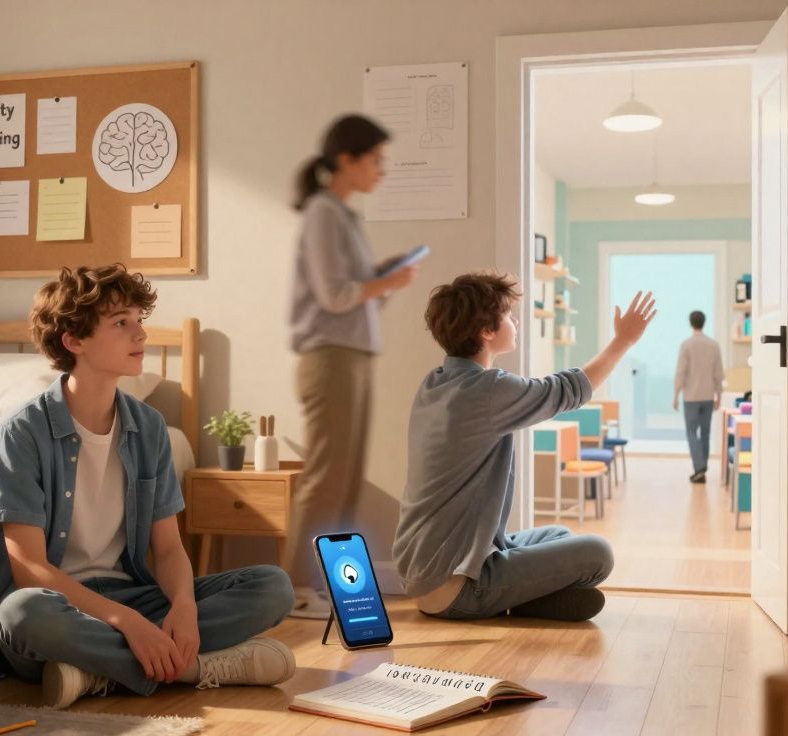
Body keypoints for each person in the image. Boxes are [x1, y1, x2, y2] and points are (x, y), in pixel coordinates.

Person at [0, 264, 296, 708]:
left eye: (139, 320)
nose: (140, 334)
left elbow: (171, 550)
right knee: (21, 614)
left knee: (273, 585)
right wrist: (128, 624)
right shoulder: (20, 434)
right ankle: (194, 668)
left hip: (135, 596)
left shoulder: (150, 428)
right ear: (74, 340)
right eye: (121, 323)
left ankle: (92, 673)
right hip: (58, 607)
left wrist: (183, 608)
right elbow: (31, 572)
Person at [393, 271, 655, 621]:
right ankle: (511, 601)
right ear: (487, 331)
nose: (515, 322)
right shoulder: (486, 390)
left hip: (424, 575)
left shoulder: (435, 383)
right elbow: (567, 390)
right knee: (598, 553)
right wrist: (624, 341)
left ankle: (519, 598)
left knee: (558, 534)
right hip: (456, 586)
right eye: (508, 316)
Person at [285, 114, 419, 618]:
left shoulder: (345, 217)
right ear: (347, 160)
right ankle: (298, 588)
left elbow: (354, 300)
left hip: (355, 356)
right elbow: (335, 295)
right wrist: (382, 283)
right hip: (330, 359)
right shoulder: (323, 213)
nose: (382, 170)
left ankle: (333, 589)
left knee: (346, 478)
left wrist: (381, 281)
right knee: (327, 477)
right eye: (376, 160)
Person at [673, 310, 724, 484]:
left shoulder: (686, 345)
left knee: (691, 432)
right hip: (708, 396)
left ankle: (699, 467)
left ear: (690, 323)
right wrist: (719, 396)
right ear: (704, 322)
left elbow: (681, 372)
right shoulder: (713, 345)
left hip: (691, 397)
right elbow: (718, 373)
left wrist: (675, 394)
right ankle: (701, 469)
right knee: (705, 433)